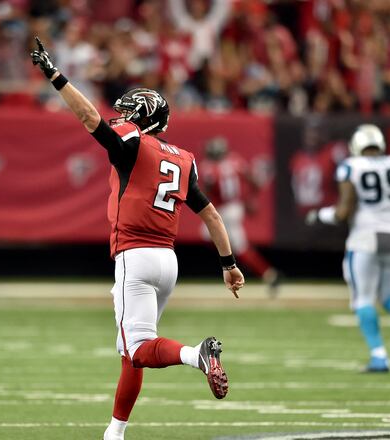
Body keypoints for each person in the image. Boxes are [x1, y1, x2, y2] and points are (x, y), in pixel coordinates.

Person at [30, 37, 245, 440]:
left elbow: (89, 118)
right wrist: (228, 264)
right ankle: (115, 432)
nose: (121, 117)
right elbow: (211, 215)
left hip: (135, 255)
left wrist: (56, 77)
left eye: (128, 113)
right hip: (168, 260)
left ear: (141, 117)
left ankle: (196, 354)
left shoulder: (133, 142)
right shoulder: (183, 158)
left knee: (141, 347)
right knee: (132, 354)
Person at [306, 124, 390, 373]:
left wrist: (319, 215)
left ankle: (379, 356)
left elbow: (343, 213)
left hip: (365, 238)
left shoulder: (352, 167)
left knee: (363, 298)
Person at [200, 137, 280, 295]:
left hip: (223, 210)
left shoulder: (209, 168)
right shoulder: (236, 161)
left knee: (239, 246)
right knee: (210, 235)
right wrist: (251, 199)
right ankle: (234, 266)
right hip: (235, 207)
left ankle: (268, 274)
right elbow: (254, 181)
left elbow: (207, 192)